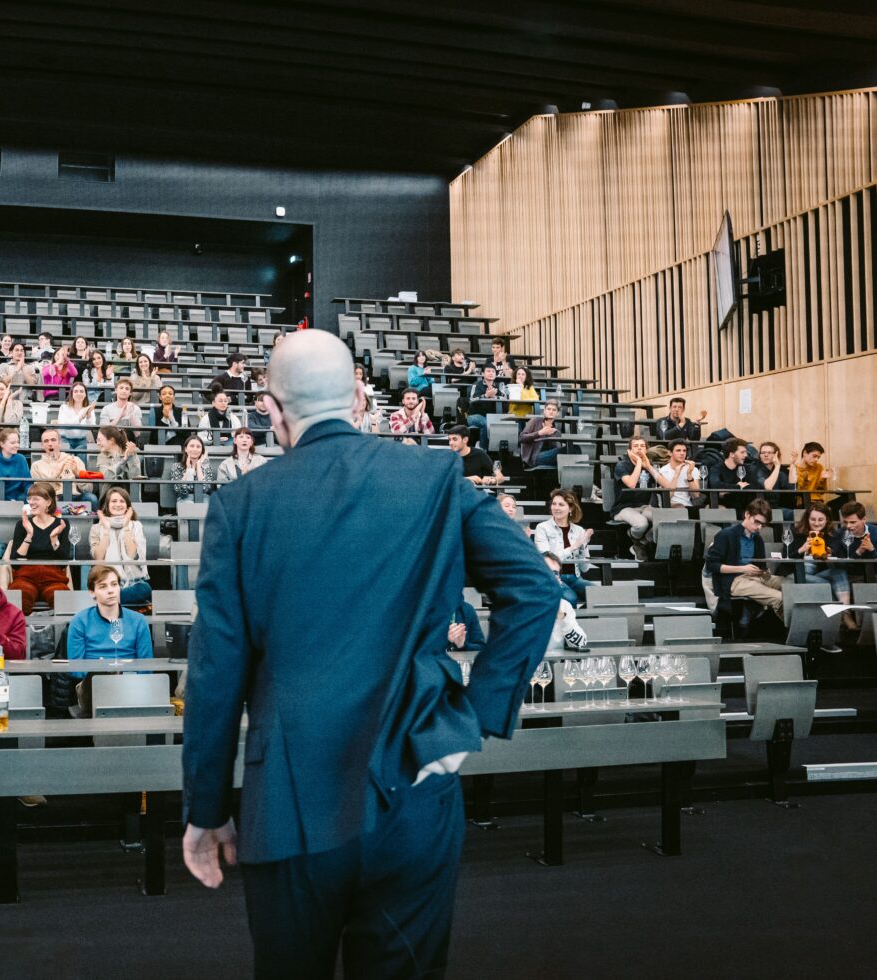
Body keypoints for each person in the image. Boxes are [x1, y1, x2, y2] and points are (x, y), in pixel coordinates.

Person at [180, 330, 556, 978]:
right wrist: (474, 715)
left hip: (287, 806)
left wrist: (206, 809)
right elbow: (535, 591)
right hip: (414, 790)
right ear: (358, 396)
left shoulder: (238, 505)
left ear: (270, 410)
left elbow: (216, 673)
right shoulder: (436, 478)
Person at [65, 563, 153, 693]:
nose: (110, 590)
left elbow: (146, 666)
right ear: (92, 593)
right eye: (103, 586)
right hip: (94, 685)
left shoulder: (138, 621)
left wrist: (127, 679)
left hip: (131, 684)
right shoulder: (79, 621)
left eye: (114, 584)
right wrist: (100, 672)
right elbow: (76, 668)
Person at [705, 498, 784, 619]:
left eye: (762, 524)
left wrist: (766, 574)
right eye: (757, 522)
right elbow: (712, 565)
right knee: (780, 598)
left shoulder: (757, 539)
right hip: (733, 580)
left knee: (790, 585)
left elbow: (761, 567)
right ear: (747, 514)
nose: (759, 527)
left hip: (755, 576)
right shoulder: (726, 534)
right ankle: (795, 631)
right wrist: (742, 569)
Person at [7, 484, 72, 614]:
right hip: (26, 576)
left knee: (63, 599)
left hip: (53, 577)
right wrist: (29, 535)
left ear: (48, 502)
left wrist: (54, 540)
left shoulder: (62, 524)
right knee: (19, 596)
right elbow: (15, 562)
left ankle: (60, 633)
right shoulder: (22, 524)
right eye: (29, 498)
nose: (31, 502)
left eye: (36, 499)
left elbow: (64, 561)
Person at [89, 490, 151, 608]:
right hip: (106, 583)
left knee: (144, 589)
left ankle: (108, 601)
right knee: (104, 590)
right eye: (114, 501)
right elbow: (98, 559)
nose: (118, 504)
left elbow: (132, 555)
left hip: (133, 583)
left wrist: (126, 526)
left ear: (127, 506)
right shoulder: (96, 528)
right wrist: (106, 530)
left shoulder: (136, 526)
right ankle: (113, 601)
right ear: (107, 505)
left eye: (122, 501)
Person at [533, 489, 595, 606]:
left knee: (599, 594)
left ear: (570, 509)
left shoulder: (579, 530)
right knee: (570, 599)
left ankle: (582, 621)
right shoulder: (542, 528)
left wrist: (582, 547)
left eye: (561, 504)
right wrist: (573, 547)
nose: (556, 508)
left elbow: (585, 568)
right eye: (554, 504)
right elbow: (548, 561)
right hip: (554, 577)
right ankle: (570, 623)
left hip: (575, 577)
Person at [612, 436, 660, 561]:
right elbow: (631, 484)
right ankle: (635, 539)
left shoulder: (649, 464)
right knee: (642, 523)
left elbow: (661, 482)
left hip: (644, 506)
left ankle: (640, 543)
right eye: (635, 446)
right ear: (629, 450)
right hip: (623, 507)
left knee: (663, 521)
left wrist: (648, 465)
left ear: (647, 449)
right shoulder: (621, 465)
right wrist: (639, 463)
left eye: (642, 446)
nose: (639, 448)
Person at [796, 504, 852, 606]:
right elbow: (785, 557)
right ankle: (839, 612)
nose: (816, 523)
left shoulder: (832, 536)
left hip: (817, 573)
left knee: (839, 573)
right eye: (813, 519)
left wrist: (828, 552)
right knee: (824, 583)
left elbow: (837, 552)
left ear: (827, 520)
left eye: (821, 520)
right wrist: (801, 550)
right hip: (796, 574)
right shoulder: (796, 533)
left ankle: (845, 611)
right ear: (807, 519)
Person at [31, 427, 86, 498]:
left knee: (91, 498)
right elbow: (40, 492)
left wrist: (78, 474)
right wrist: (58, 471)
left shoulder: (74, 460)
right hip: (52, 499)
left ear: (60, 443)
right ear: (42, 446)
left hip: (75, 496)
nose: (50, 444)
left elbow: (88, 489)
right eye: (46, 441)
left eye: (53, 440)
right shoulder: (36, 466)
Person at [0, 427, 31, 502]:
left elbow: (28, 484)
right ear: (2, 444)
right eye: (12, 443)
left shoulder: (21, 459)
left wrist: (21, 499)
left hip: (18, 500)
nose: (17, 445)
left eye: (18, 442)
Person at [518, 399, 563, 468]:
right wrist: (540, 433)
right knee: (572, 450)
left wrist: (551, 435)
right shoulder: (535, 421)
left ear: (557, 413)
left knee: (574, 450)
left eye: (554, 410)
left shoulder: (556, 431)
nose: (551, 412)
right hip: (535, 457)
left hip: (549, 456)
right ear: (544, 411)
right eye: (548, 409)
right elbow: (521, 438)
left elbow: (555, 448)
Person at [657, 439, 702, 508]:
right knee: (680, 507)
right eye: (678, 450)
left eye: (684, 451)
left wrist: (689, 475)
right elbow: (667, 497)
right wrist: (676, 474)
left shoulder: (692, 469)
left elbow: (695, 495)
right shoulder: (663, 471)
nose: (682, 453)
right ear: (670, 453)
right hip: (669, 506)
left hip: (688, 506)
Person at [466, 364, 501, 450]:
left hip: (492, 416)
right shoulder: (477, 385)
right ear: (483, 374)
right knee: (487, 423)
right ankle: (482, 448)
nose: (491, 373)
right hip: (474, 415)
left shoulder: (498, 386)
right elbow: (471, 400)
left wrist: (495, 396)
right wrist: (485, 395)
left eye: (493, 371)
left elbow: (505, 398)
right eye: (488, 371)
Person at [55, 381, 97, 454]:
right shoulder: (64, 407)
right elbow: (63, 425)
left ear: (85, 395)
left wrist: (88, 416)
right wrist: (80, 417)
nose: (79, 394)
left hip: (82, 440)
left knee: (82, 454)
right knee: (67, 459)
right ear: (72, 394)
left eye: (81, 391)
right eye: (76, 391)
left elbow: (92, 426)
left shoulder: (88, 408)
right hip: (65, 439)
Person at [170, 434, 214, 499]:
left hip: (203, 500)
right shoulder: (176, 466)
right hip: (184, 500)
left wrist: (198, 466)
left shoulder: (207, 467)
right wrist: (188, 470)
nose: (195, 449)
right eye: (192, 446)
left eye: (198, 447)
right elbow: (181, 491)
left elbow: (204, 490)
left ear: (202, 450)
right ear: (185, 449)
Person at [794, 442, 833, 507]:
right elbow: (797, 492)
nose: (816, 459)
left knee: (846, 503)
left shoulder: (819, 467)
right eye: (814, 456)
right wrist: (805, 480)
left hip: (819, 503)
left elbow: (822, 492)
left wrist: (823, 479)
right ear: (805, 453)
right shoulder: (794, 469)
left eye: (818, 457)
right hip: (803, 502)